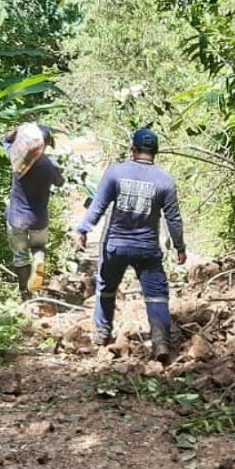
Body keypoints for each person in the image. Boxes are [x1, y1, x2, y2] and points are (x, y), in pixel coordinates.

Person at [71, 128, 186, 362]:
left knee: (107, 289)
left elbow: (98, 205)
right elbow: (173, 218)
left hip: (116, 246)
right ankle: (161, 342)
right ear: (155, 152)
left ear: (133, 149)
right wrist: (179, 247)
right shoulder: (164, 180)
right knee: (156, 296)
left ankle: (102, 335)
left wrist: (82, 229)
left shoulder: (116, 172)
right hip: (147, 249)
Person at [3, 122, 65, 300]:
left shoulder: (17, 158)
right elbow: (60, 182)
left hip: (16, 218)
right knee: (39, 247)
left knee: (20, 257)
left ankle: (26, 296)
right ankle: (38, 260)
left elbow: (5, 140)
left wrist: (15, 133)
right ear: (44, 145)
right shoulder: (48, 166)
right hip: (38, 219)